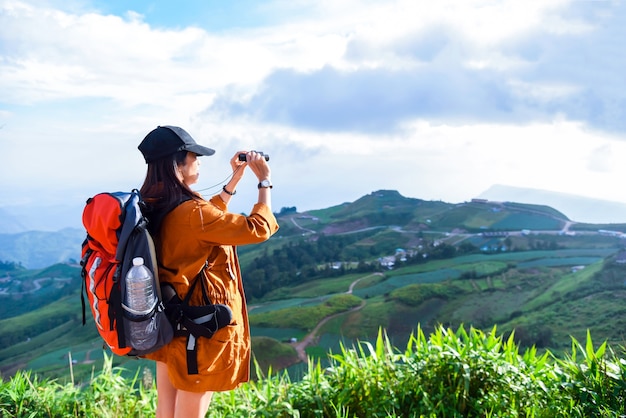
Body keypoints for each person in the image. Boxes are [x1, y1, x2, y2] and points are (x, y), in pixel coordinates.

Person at [136, 125, 279, 418]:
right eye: (194, 156)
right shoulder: (192, 213)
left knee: (166, 408)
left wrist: (233, 181)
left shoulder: (155, 202)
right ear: (178, 163)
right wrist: (264, 182)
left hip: (170, 321)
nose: (199, 162)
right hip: (198, 330)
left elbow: (199, 224)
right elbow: (258, 228)